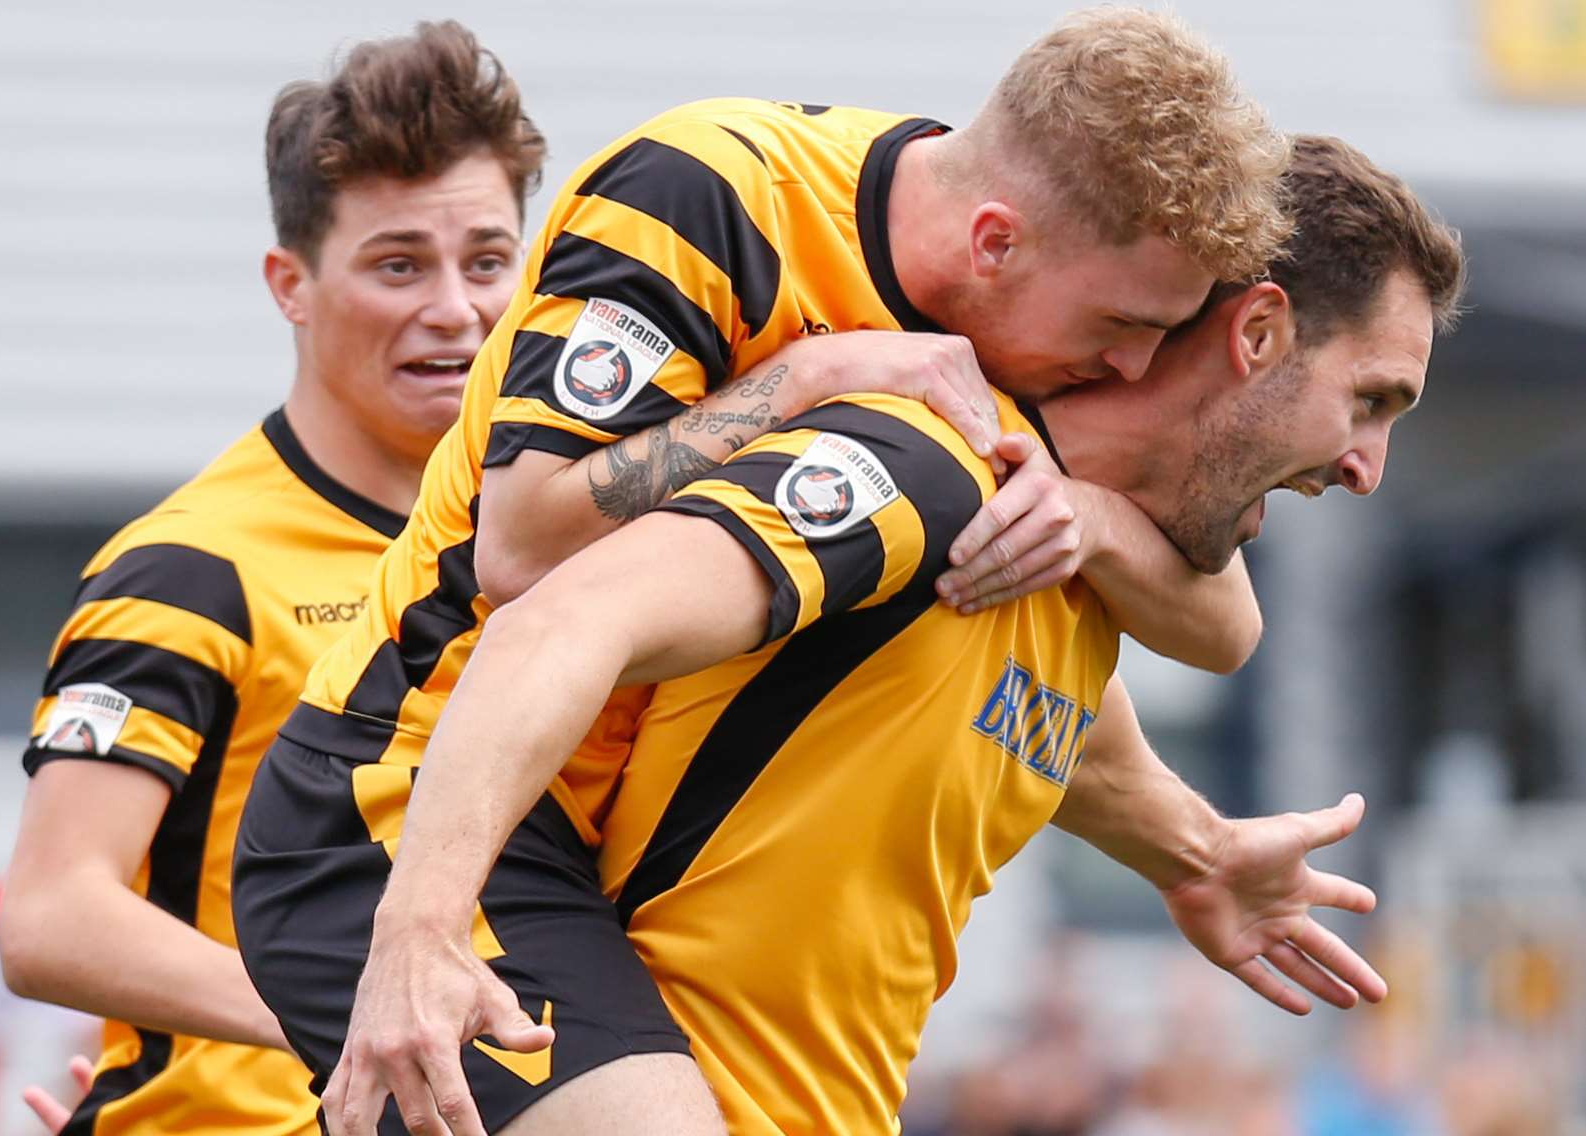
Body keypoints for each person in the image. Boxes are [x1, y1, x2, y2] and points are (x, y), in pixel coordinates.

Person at [231, 8, 1298, 1134]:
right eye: (1125, 325)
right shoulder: (707, 198)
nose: (1129, 367)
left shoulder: (1021, 321)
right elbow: (523, 547)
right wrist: (802, 379)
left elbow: (1208, 625)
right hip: (405, 799)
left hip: (591, 859)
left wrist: (1196, 841)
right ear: (994, 242)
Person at [0, 22, 548, 1135]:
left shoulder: (541, 543)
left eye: (487, 261)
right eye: (398, 264)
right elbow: (52, 915)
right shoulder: (192, 566)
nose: (455, 307)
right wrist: (368, 1006)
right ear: (289, 284)